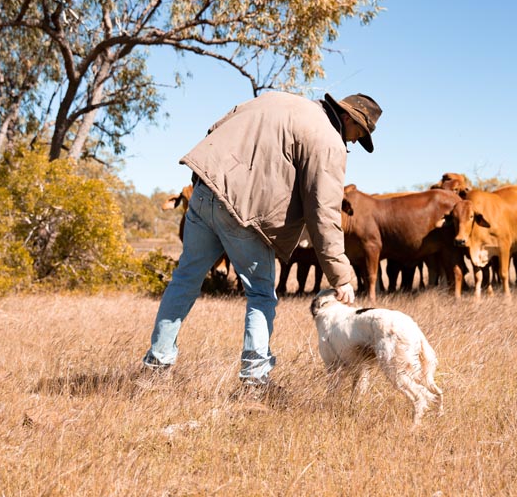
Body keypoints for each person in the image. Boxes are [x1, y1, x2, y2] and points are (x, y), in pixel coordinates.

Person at [142, 90, 382, 396]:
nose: (350, 142)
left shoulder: (276, 99)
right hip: (243, 213)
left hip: (204, 192)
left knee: (184, 280)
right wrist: (341, 276)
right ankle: (254, 383)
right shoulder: (329, 140)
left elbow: (215, 129)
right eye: (356, 134)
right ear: (347, 117)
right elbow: (324, 212)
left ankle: (154, 370)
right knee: (261, 295)